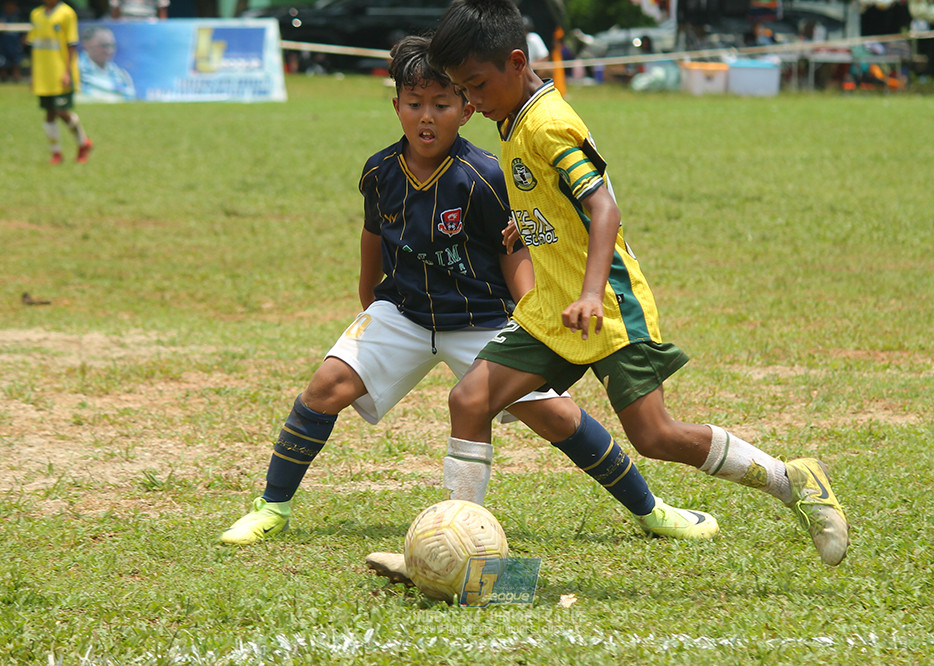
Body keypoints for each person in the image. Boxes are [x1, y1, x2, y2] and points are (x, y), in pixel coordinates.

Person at [219, 35, 718, 554]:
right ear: (397, 107)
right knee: (325, 386)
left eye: (442, 104)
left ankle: (651, 509)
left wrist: (530, 315)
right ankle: (271, 508)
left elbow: (516, 250)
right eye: (414, 105)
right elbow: (373, 234)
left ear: (465, 108)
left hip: (481, 320)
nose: (426, 117)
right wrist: (369, 297)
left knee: (557, 416)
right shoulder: (379, 171)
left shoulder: (484, 177)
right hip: (405, 314)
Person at [428, 0, 849, 566]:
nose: (470, 104)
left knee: (655, 436)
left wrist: (588, 292)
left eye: (475, 87)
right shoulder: (512, 116)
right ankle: (465, 556)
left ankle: (790, 479)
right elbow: (554, 196)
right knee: (469, 399)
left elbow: (604, 208)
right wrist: (526, 221)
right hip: (552, 307)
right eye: (462, 90)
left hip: (606, 304)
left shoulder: (550, 123)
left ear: (514, 61)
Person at [27, 0, 92, 164]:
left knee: (62, 111)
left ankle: (83, 143)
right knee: (49, 113)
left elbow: (72, 44)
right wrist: (33, 73)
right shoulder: (36, 14)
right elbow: (35, 45)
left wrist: (67, 71)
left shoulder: (66, 13)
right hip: (44, 75)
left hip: (61, 73)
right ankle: (56, 153)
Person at [79, 25, 136, 101]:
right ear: (86, 45)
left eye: (112, 46)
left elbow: (131, 101)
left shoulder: (121, 75)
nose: (109, 50)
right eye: (104, 46)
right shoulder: (74, 72)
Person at [1, 0, 24, 83]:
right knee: (3, 64)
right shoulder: (2, 16)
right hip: (3, 44)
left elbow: (24, 31)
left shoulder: (18, 17)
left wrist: (23, 41)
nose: (10, 6)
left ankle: (16, 79)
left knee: (16, 63)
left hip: (15, 44)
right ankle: (3, 80)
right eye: (8, 4)